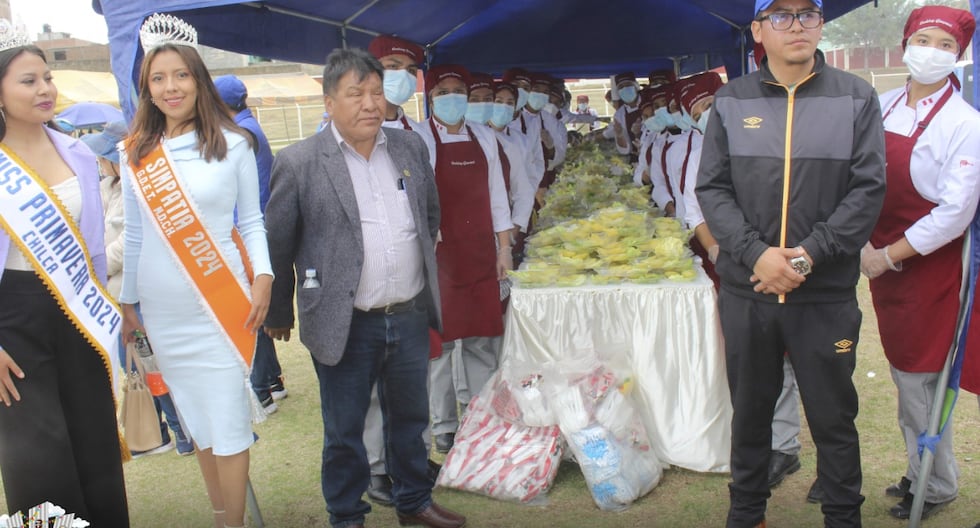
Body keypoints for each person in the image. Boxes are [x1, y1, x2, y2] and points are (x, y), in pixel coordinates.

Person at [695, 0, 887, 526]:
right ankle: (747, 511)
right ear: (758, 30)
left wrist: (805, 258)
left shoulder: (855, 97)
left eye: (807, 13)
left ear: (821, 25)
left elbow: (868, 192)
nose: (796, 24)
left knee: (833, 417)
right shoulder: (730, 100)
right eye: (781, 15)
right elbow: (712, 189)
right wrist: (758, 253)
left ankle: (844, 515)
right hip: (749, 291)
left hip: (823, 295)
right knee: (751, 413)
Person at [264, 47, 464, 528]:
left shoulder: (408, 147)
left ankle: (414, 502)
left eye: (376, 92)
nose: (370, 103)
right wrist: (278, 312)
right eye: (355, 93)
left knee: (410, 420)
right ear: (329, 102)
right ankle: (347, 516)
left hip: (408, 311)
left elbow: (429, 214)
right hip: (345, 318)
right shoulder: (300, 162)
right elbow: (278, 241)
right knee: (345, 430)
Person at [119, 14, 273, 528]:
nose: (170, 87)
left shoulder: (234, 145)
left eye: (180, 75)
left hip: (221, 305)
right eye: (158, 78)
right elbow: (137, 237)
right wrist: (128, 301)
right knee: (201, 427)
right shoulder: (135, 153)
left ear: (198, 78)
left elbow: (251, 222)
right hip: (164, 314)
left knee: (228, 425)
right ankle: (220, 517)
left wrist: (264, 278)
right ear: (146, 86)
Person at [0, 23, 129, 526]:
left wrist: (112, 307)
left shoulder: (76, 150)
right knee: (37, 454)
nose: (45, 89)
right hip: (14, 317)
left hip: (78, 308)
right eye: (28, 81)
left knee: (93, 438)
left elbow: (93, 246)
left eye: (48, 78)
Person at [860, 5, 980, 520]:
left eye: (946, 46)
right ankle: (919, 469)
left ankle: (936, 484)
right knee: (903, 374)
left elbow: (955, 212)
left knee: (920, 380)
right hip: (879, 259)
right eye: (924, 39)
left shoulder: (965, 123)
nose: (933, 51)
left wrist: (888, 255)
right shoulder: (881, 105)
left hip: (928, 267)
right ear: (906, 43)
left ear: (959, 57)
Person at [82, 121, 195, 458]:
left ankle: (181, 432)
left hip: (136, 294)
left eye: (104, 155)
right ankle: (156, 433)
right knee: (134, 366)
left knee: (151, 364)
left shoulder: (138, 189)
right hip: (118, 295)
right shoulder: (109, 187)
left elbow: (127, 243)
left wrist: (96, 264)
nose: (100, 162)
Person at [419, 64, 512, 456]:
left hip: (479, 250)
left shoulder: (485, 137)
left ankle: (483, 415)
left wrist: (504, 248)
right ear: (431, 97)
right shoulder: (420, 138)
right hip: (441, 254)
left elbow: (497, 197)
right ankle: (444, 424)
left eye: (460, 90)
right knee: (441, 348)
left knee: (481, 341)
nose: (453, 97)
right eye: (445, 91)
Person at [362, 33, 438, 508]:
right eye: (391, 65)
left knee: (409, 379)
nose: (401, 76)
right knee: (370, 383)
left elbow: (430, 205)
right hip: (368, 279)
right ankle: (374, 467)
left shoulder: (416, 136)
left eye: (409, 69)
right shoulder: (348, 131)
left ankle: (409, 459)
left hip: (411, 277)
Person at [214, 74, 288, 415]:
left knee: (250, 309)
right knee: (258, 307)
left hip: (248, 231)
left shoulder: (239, 136)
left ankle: (260, 388)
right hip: (257, 226)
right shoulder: (249, 127)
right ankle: (272, 379)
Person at [611, 71, 642, 161]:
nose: (625, 89)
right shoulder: (619, 114)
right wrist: (619, 135)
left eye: (628, 85)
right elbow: (625, 150)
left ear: (636, 87)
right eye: (621, 87)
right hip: (636, 158)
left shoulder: (647, 104)